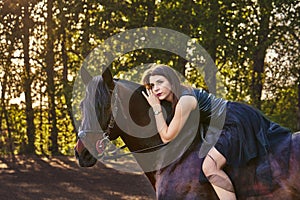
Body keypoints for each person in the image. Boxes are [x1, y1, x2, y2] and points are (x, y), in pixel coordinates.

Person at [141, 64, 292, 200]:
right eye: (152, 86)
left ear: (171, 81)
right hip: (229, 119)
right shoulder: (180, 97)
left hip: (234, 121)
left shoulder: (185, 101)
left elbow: (167, 137)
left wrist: (156, 108)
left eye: (160, 82)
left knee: (210, 167)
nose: (156, 89)